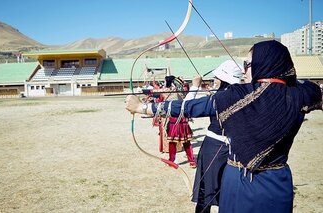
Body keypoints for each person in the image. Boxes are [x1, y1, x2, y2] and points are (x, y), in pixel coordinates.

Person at [125, 40, 322, 212]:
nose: (244, 69)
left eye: (248, 64)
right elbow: (308, 87)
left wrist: (142, 107)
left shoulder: (236, 95)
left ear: (263, 64)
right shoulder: (303, 95)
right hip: (277, 181)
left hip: (239, 180)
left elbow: (189, 107)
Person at [191, 60, 243, 213]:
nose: (214, 80)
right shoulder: (242, 96)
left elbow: (186, 108)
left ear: (224, 80)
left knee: (205, 192)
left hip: (213, 148)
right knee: (228, 193)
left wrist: (194, 86)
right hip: (234, 149)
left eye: (217, 78)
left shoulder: (218, 98)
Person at [154, 75, 196, 168]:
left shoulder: (165, 92)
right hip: (182, 119)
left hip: (174, 119)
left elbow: (157, 95)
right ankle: (192, 161)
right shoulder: (180, 93)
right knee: (187, 142)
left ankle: (172, 160)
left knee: (172, 142)